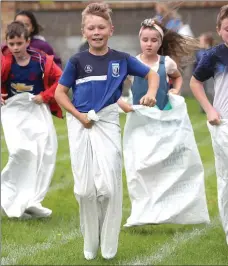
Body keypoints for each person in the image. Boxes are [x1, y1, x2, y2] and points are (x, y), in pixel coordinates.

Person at [54, 2, 159, 261]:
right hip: (80, 122)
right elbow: (59, 93)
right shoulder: (77, 61)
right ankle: (90, 242)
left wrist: (151, 94)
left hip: (108, 121)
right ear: (84, 31)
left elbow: (152, 76)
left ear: (110, 29)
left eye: (101, 27)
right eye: (91, 28)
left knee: (109, 188)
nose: (96, 32)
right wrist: (78, 116)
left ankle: (108, 245)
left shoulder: (121, 59)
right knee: (85, 191)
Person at [119, 18, 210, 228]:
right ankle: (143, 210)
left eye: (153, 40)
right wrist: (121, 101)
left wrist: (175, 90)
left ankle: (169, 206)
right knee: (140, 165)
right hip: (140, 120)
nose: (149, 44)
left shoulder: (166, 62)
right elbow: (116, 85)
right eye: (145, 40)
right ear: (139, 40)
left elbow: (177, 77)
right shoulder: (132, 63)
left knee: (163, 164)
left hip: (162, 118)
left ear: (160, 43)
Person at [190, 3, 228, 248]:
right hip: (224, 124)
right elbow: (195, 83)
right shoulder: (212, 56)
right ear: (219, 30)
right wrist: (210, 109)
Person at [1, 21, 62, 219]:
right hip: (13, 113)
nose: (16, 48)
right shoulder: (4, 62)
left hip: (37, 110)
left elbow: (62, 80)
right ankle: (7, 193)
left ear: (28, 41)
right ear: (7, 43)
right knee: (20, 151)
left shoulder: (41, 60)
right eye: (12, 44)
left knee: (45, 153)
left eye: (19, 43)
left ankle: (33, 200)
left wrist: (45, 96)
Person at [194, 32, 215, 112]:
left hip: (210, 75)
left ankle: (214, 107)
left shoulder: (211, 51)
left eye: (201, 40)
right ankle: (203, 109)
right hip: (201, 76)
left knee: (210, 91)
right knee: (202, 91)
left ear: (206, 42)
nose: (199, 42)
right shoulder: (200, 52)